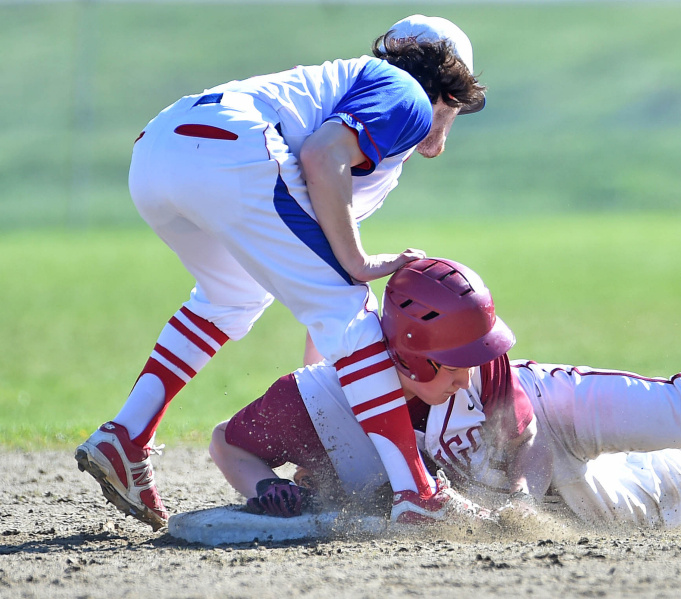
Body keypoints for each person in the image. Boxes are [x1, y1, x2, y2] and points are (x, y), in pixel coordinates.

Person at [206, 239, 681, 527]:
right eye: (457, 352)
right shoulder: (327, 397)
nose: (475, 358)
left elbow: (521, 438)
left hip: (547, 419)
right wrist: (260, 486)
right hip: (477, 473)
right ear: (407, 354)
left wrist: (519, 499)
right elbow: (230, 444)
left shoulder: (485, 360)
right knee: (665, 504)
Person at [75, 15, 488, 531]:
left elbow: (314, 268)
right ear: (449, 86)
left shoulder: (368, 118)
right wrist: (359, 267)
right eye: (460, 102)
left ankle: (127, 436)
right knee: (347, 302)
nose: (454, 117)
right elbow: (321, 157)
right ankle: (418, 494)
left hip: (158, 153)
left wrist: (327, 390)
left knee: (232, 296)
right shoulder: (405, 95)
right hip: (228, 149)